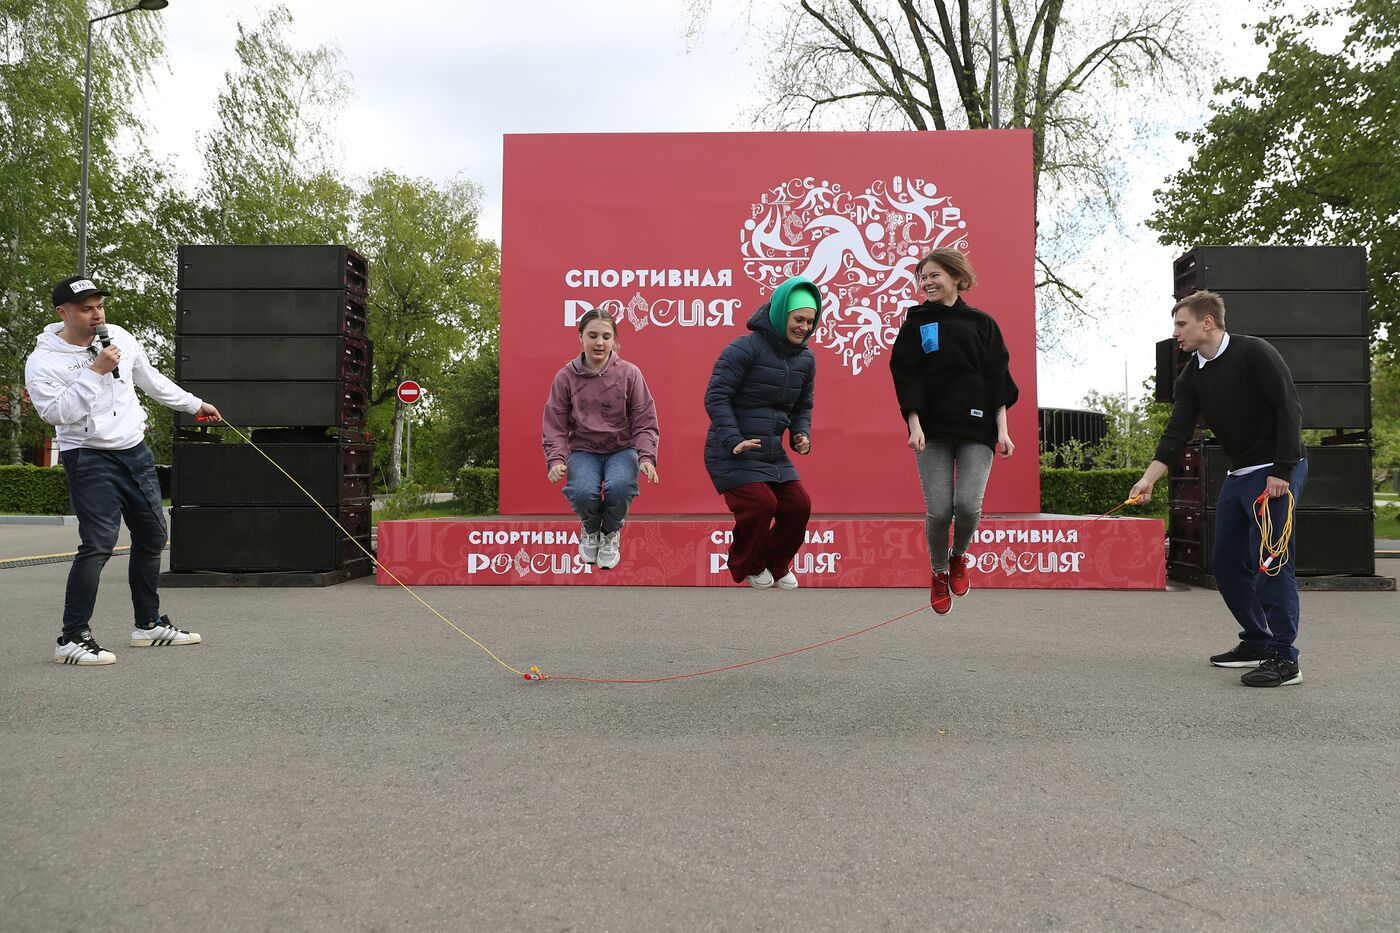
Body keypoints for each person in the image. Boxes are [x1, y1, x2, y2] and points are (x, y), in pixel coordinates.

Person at [25, 275, 222, 666]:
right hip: (88, 456)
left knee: (153, 535)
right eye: (86, 309)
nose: (97, 315)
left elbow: (149, 379)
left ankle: (148, 626)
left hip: (134, 450)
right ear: (62, 313)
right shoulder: (43, 360)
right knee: (97, 544)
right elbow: (56, 414)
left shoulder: (118, 336)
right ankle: (71, 638)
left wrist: (194, 404)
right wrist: (95, 371)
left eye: (100, 305)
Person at [1129, 290, 1307, 688]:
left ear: (1207, 322)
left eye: (1181, 324)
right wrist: (1148, 478)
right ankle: (1259, 640)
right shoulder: (1192, 374)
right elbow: (1177, 432)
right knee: (1225, 565)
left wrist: (1282, 470)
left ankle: (1285, 658)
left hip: (1276, 471)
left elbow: (1289, 409)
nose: (1176, 333)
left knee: (1271, 562)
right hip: (1241, 473)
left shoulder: (1254, 353)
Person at [889, 248, 1017, 614]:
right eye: (922, 277)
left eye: (934, 275)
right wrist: (913, 424)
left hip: (978, 430)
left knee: (967, 505)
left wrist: (1003, 430)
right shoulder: (915, 323)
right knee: (940, 512)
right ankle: (939, 572)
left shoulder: (983, 324)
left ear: (957, 279)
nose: (927, 282)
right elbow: (906, 375)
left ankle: (959, 556)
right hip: (932, 432)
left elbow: (998, 379)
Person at [704, 275, 819, 589]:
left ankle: (777, 563)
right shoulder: (745, 348)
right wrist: (733, 440)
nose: (804, 327)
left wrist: (801, 433)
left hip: (771, 452)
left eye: (810, 321)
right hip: (730, 449)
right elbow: (716, 396)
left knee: (799, 505)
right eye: (798, 319)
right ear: (781, 314)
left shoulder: (806, 359)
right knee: (761, 504)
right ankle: (749, 562)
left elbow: (802, 407)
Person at [542, 307, 659, 570]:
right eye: (592, 335)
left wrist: (647, 456)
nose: (599, 342)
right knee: (582, 492)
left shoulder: (630, 374)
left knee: (622, 486)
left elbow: (644, 419)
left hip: (622, 448)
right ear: (580, 337)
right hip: (584, 449)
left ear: (615, 340)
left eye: (606, 336)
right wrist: (556, 460)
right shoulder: (565, 378)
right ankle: (592, 528)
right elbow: (555, 424)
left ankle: (610, 533)